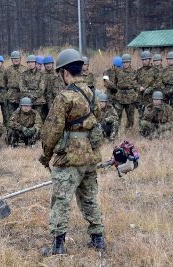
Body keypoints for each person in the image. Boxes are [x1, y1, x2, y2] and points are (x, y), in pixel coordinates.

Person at [38, 49, 104, 256]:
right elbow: (97, 118)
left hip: (68, 158)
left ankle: (58, 245)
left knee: (61, 200)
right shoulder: (93, 93)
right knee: (89, 197)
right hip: (90, 156)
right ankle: (98, 239)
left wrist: (46, 155)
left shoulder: (64, 97)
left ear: (65, 72)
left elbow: (52, 131)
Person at [135, 51, 161, 123]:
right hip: (141, 98)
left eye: (146, 59)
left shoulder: (155, 70)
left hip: (151, 99)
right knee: (141, 116)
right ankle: (141, 132)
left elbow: (158, 83)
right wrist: (139, 87)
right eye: (143, 60)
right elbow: (134, 82)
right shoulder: (139, 71)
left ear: (149, 60)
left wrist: (150, 89)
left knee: (151, 116)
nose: (144, 61)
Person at [114, 53, 137, 129]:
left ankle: (128, 131)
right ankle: (117, 130)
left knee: (130, 116)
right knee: (117, 115)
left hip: (130, 97)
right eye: (124, 62)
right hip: (120, 97)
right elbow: (115, 83)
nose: (125, 64)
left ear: (130, 62)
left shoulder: (134, 72)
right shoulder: (118, 72)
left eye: (127, 62)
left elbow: (136, 84)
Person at [20, 55, 46, 120]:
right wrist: (29, 96)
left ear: (35, 63)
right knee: (26, 119)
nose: (30, 64)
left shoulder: (41, 74)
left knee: (38, 119)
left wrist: (34, 96)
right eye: (28, 62)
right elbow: (22, 87)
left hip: (38, 100)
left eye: (32, 62)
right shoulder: (24, 74)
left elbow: (42, 88)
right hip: (26, 100)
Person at [4, 51, 28, 121]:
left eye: (17, 58)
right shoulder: (7, 70)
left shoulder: (25, 69)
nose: (16, 60)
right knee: (11, 115)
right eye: (14, 58)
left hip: (22, 95)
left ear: (20, 59)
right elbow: (5, 82)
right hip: (11, 95)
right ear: (12, 59)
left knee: (22, 115)